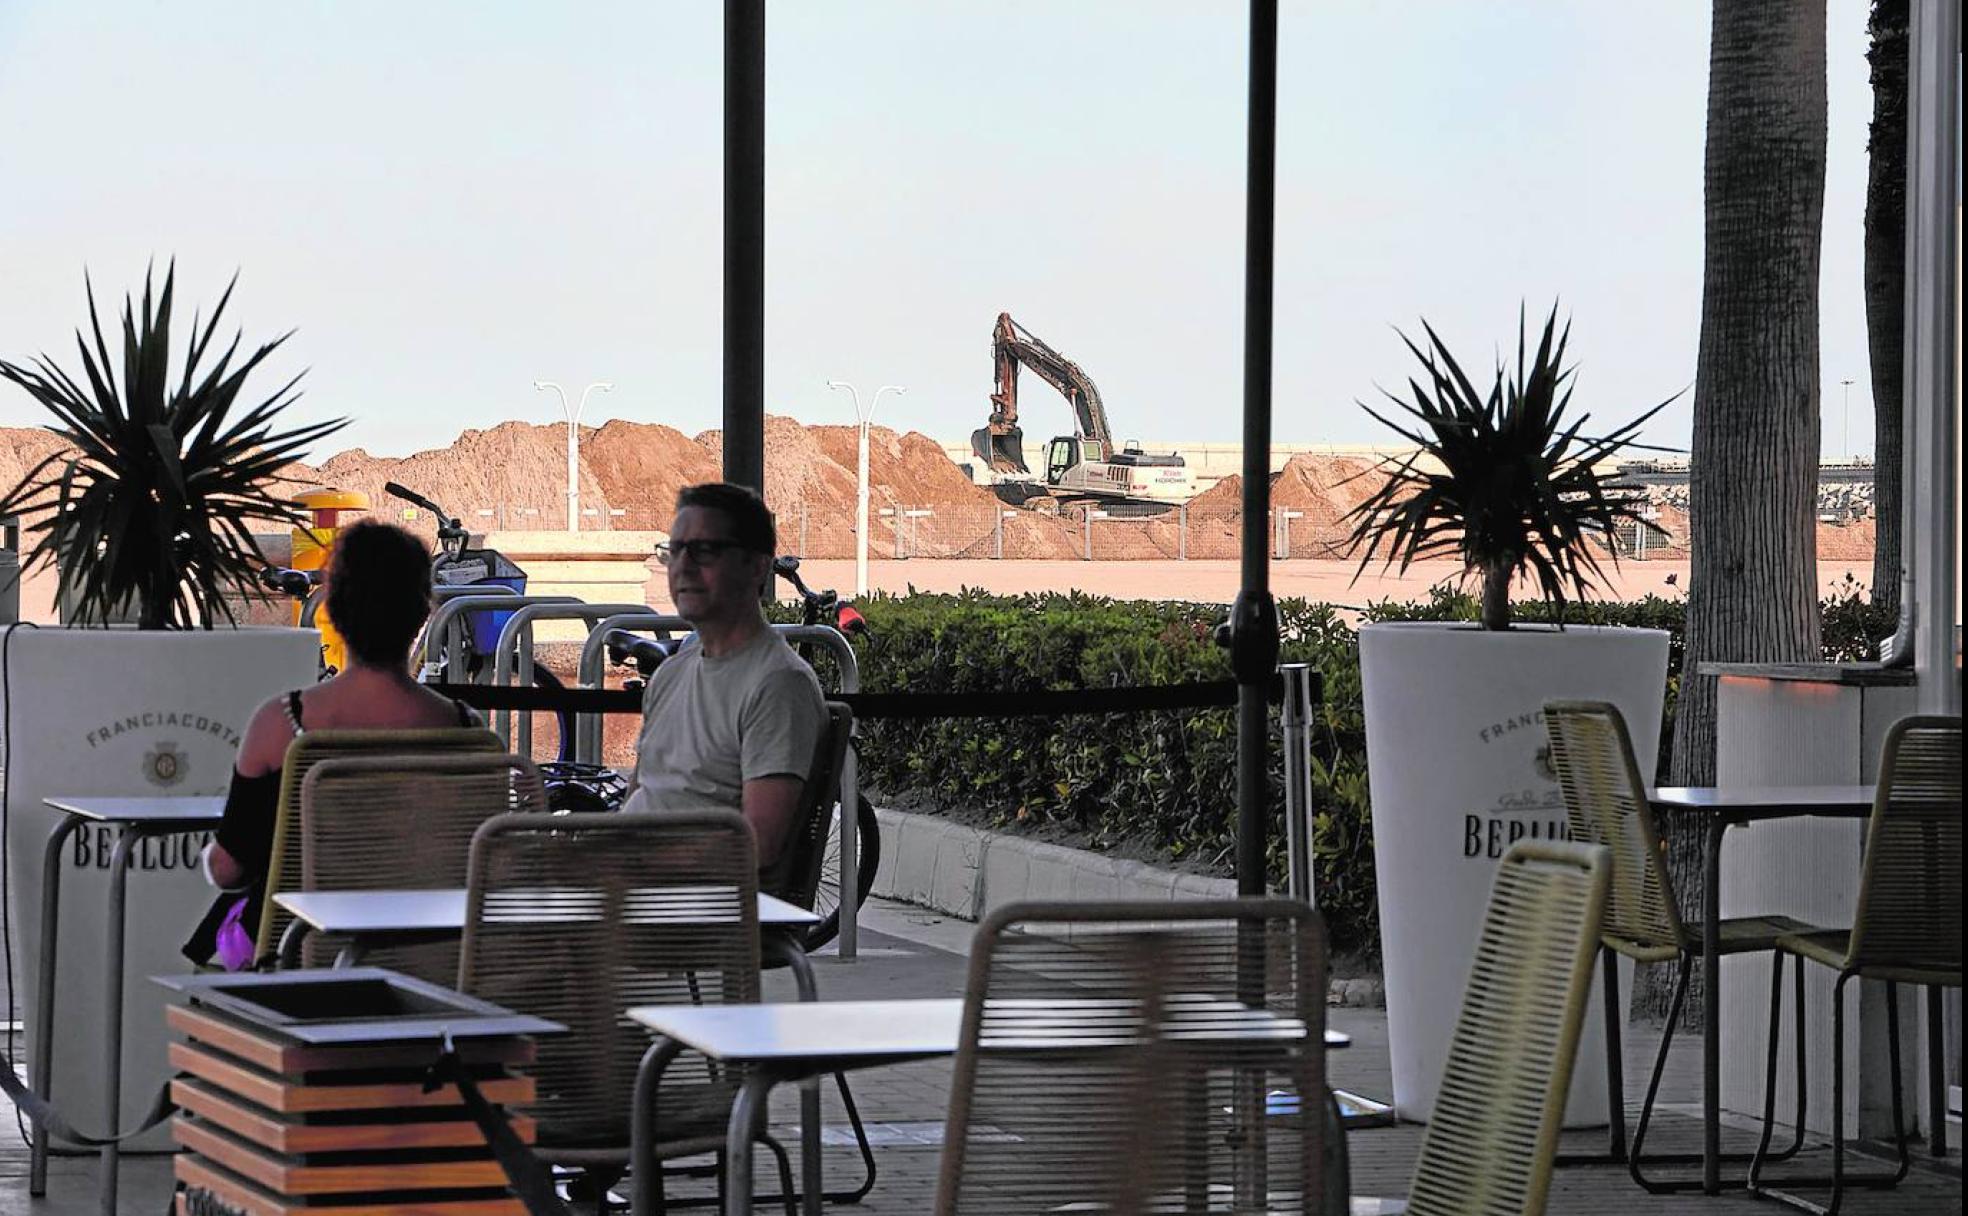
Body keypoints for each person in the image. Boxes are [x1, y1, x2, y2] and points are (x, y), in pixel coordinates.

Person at [184, 520, 480, 966]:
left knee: (217, 944)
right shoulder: (467, 731)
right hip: (428, 958)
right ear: (422, 615)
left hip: (297, 956)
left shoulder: (282, 724)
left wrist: (208, 854)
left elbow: (228, 870)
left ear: (336, 613)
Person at [620, 482, 826, 868]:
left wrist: (632, 864)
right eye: (676, 550)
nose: (683, 565)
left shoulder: (778, 684)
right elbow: (641, 794)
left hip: (694, 908)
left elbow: (756, 846)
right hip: (627, 891)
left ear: (757, 566)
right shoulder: (672, 673)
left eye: (705, 550)